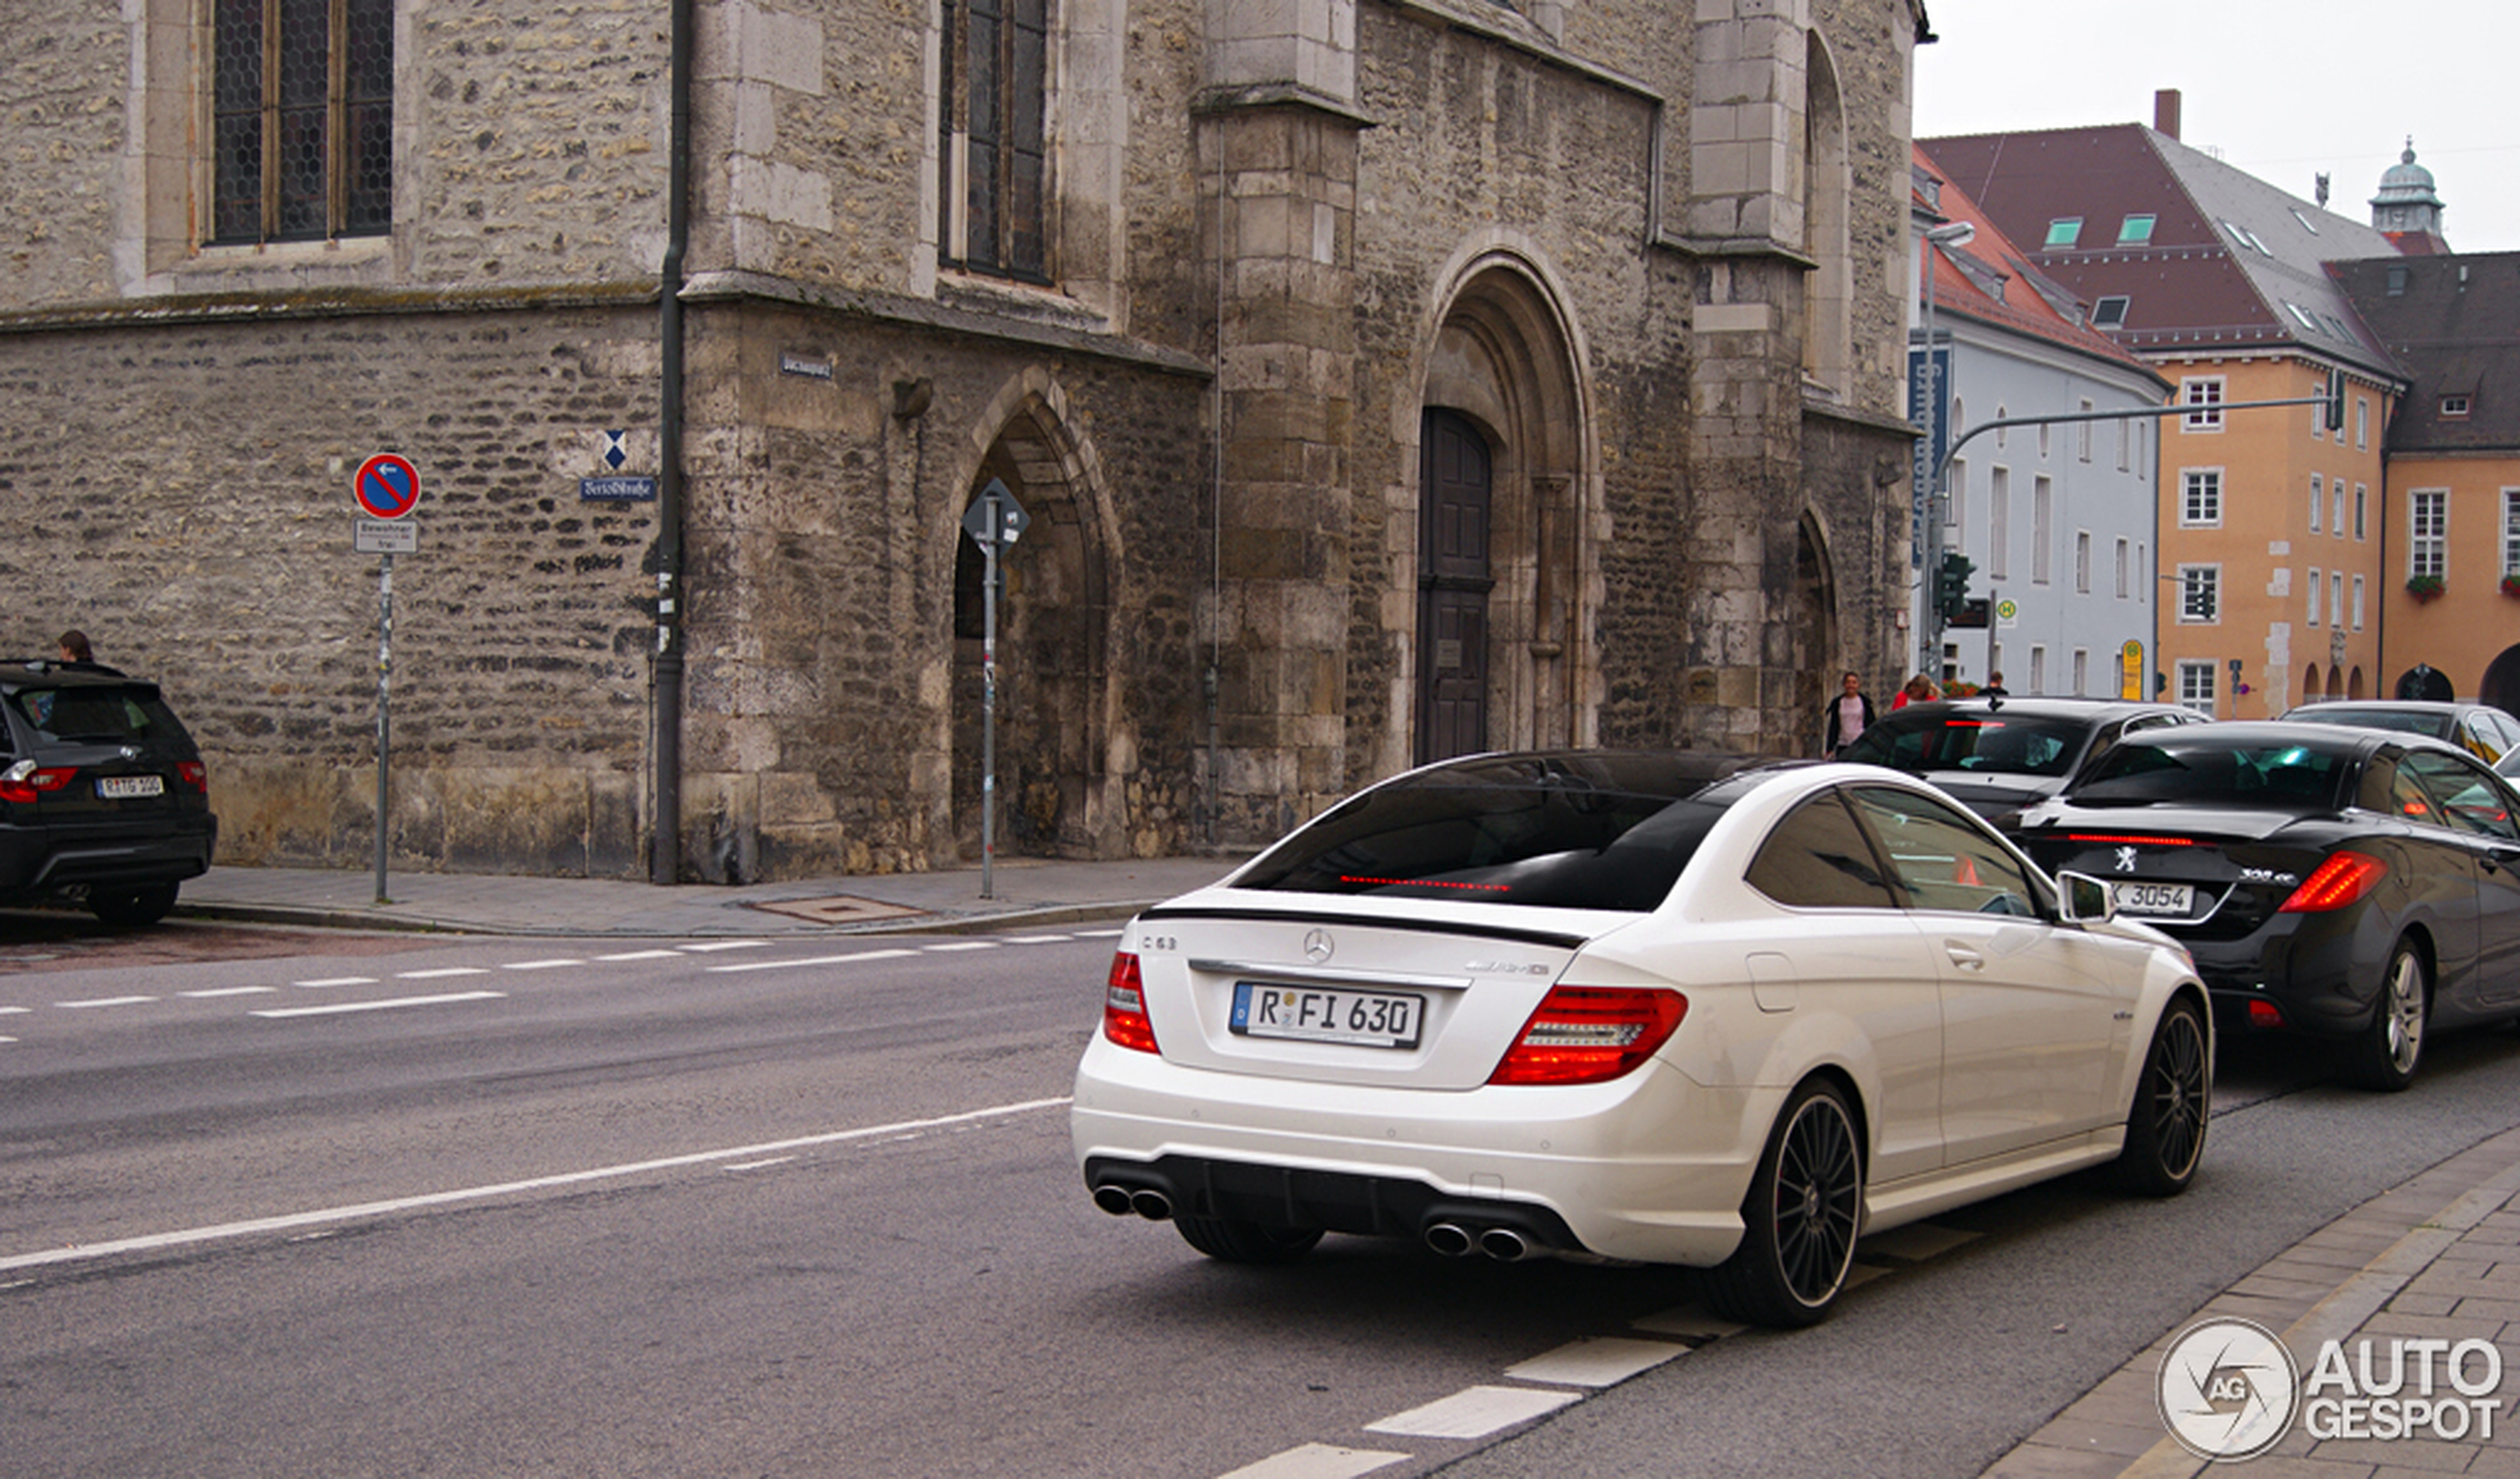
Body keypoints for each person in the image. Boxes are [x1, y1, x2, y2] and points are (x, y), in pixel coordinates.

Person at [1821, 671, 1874, 757]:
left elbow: (1870, 723)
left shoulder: (1864, 702)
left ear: (1858, 685)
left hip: (1859, 743)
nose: (1851, 685)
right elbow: (1834, 726)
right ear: (1844, 685)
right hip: (1843, 743)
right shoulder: (1838, 703)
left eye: (1854, 683)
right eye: (1848, 682)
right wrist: (1829, 748)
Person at [55, 629, 122, 676]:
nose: (60, 655)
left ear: (68, 650)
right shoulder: (102, 673)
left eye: (61, 649)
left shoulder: (66, 677)